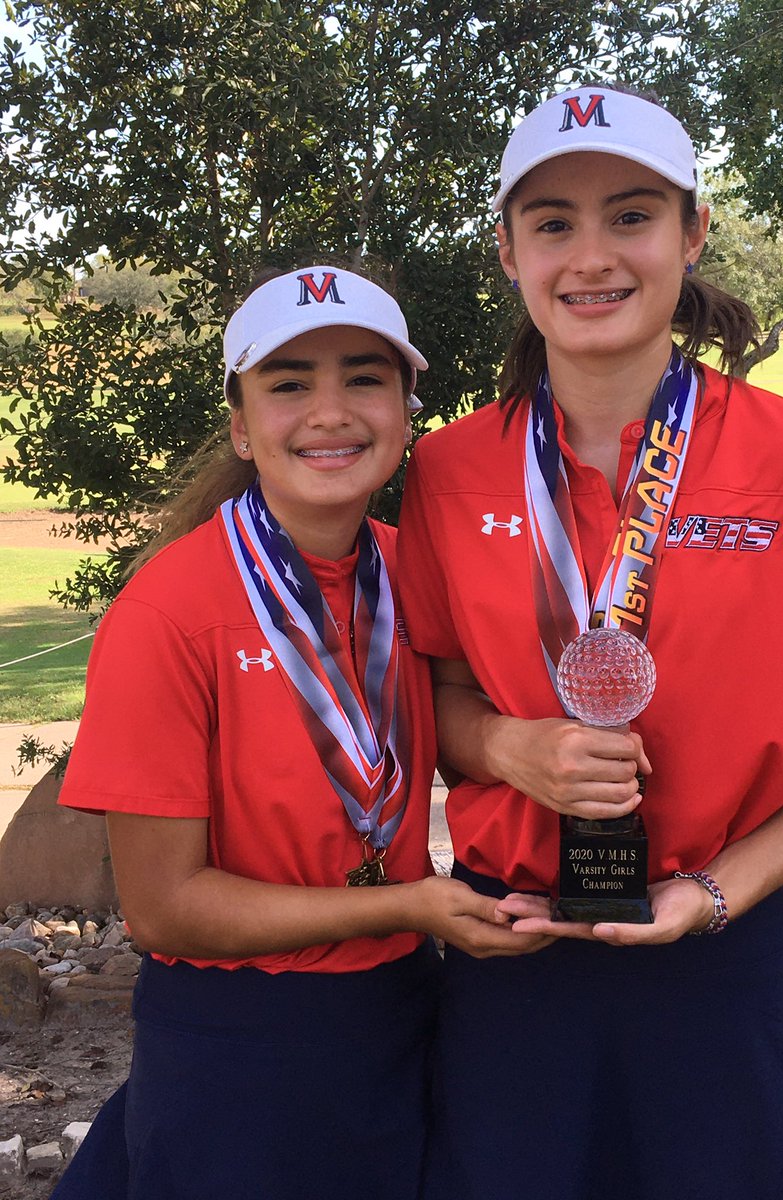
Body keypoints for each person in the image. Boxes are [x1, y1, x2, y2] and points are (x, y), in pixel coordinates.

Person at [397, 86, 783, 1200]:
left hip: (724, 953)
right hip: (510, 953)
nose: (592, 256)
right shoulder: (446, 470)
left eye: (630, 214)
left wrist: (723, 889)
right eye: (553, 223)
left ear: (692, 230)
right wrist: (507, 749)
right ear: (508, 251)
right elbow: (434, 696)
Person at [51, 266, 547, 1200]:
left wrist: (531, 752)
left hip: (403, 1009)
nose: (331, 411)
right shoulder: (168, 612)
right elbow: (163, 908)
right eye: (288, 383)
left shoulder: (415, 573)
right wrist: (406, 903)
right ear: (242, 426)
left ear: (405, 414)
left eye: (365, 377)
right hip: (240, 1041)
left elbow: (462, 719)